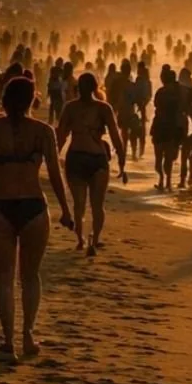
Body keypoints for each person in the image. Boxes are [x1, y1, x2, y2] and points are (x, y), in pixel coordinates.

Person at [0, 76, 73, 359]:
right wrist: (66, 210)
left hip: (0, 206)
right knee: (30, 276)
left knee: (5, 276)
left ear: (4, 99)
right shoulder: (43, 131)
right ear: (33, 100)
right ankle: (28, 335)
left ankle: (8, 342)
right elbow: (54, 174)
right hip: (34, 207)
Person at [56, 72, 127, 257]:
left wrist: (53, 156)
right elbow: (115, 135)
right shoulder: (102, 108)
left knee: (80, 204)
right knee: (96, 205)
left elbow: (61, 136)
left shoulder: (71, 108)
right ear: (96, 87)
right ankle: (92, 240)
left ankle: (83, 240)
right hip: (96, 159)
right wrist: (121, 159)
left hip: (78, 158)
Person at [149, 66, 191, 192]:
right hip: (168, 128)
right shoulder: (177, 94)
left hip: (163, 128)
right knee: (167, 158)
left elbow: (157, 106)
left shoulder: (162, 92)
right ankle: (165, 181)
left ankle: (164, 180)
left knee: (161, 158)